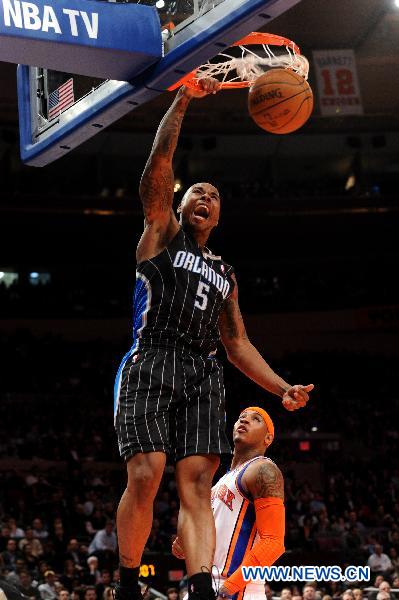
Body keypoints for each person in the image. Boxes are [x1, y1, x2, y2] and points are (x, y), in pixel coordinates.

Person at [114, 78, 314, 600]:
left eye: (215, 196)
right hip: (152, 356)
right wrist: (182, 99)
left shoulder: (225, 272)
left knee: (197, 484)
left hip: (203, 369)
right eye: (197, 191)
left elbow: (238, 345)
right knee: (147, 474)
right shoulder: (161, 231)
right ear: (181, 205)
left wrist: (281, 387)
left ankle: (201, 588)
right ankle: (129, 578)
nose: (206, 197)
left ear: (219, 216)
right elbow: (157, 169)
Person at [172, 407, 286, 600]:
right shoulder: (219, 482)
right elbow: (184, 549)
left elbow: (273, 542)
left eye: (255, 419)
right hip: (202, 586)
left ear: (268, 438)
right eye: (241, 417)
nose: (245, 420)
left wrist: (230, 587)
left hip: (237, 591)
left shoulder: (263, 469)